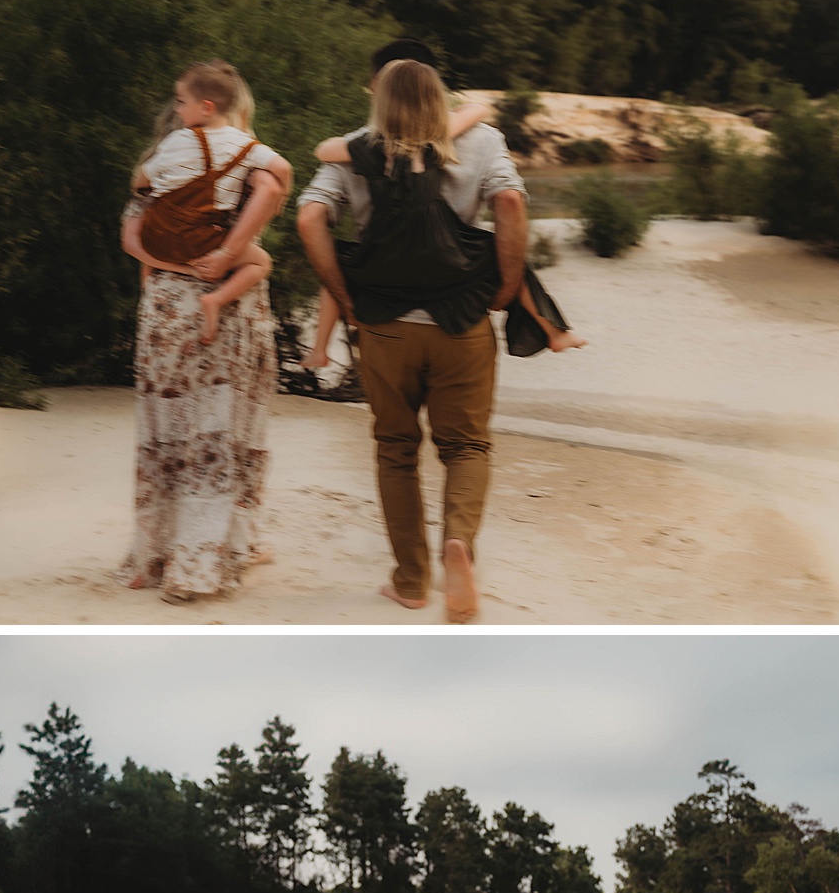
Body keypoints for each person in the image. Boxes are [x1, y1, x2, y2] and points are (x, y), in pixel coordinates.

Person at [296, 39, 530, 624]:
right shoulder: (479, 140)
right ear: (439, 90)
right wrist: (504, 285)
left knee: (396, 450)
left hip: (385, 329)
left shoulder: (355, 150)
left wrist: (345, 293)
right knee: (467, 446)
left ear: (378, 89)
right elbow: (510, 204)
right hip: (461, 324)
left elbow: (308, 217)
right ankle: (458, 545)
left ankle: (409, 581)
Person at [116, 62, 291, 605]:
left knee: (167, 431)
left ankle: (154, 552)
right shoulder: (245, 152)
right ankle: (203, 562)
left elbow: (131, 236)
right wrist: (227, 254)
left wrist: (168, 263)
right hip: (223, 305)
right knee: (217, 434)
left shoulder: (161, 164)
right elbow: (273, 182)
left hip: (166, 308)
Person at [301, 92, 586, 374]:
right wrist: (461, 110)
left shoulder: (370, 146)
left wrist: (364, 143)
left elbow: (323, 153)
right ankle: (553, 331)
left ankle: (320, 348)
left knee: (341, 262)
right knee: (499, 255)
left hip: (386, 260)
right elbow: (478, 111)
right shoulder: (437, 136)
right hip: (442, 251)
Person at [123, 61, 291, 342]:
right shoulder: (246, 147)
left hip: (158, 240)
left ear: (206, 107)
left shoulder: (173, 142)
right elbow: (283, 170)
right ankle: (216, 300)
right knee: (261, 263)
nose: (177, 108)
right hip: (205, 244)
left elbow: (140, 183)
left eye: (181, 101)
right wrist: (282, 198)